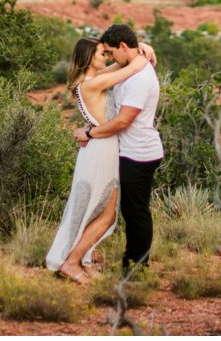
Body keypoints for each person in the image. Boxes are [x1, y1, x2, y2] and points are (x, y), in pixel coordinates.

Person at [45, 36, 152, 283]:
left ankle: (82, 260)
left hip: (99, 146)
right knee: (107, 215)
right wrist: (142, 50)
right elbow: (133, 66)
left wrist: (142, 48)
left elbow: (124, 65)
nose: (107, 57)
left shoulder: (90, 80)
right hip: (102, 149)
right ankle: (72, 263)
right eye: (102, 54)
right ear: (89, 57)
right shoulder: (92, 84)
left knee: (96, 211)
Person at [75, 23, 164, 274]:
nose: (110, 58)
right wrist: (144, 48)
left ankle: (137, 265)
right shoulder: (129, 67)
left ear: (123, 47)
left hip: (140, 153)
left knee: (136, 211)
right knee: (128, 209)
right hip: (126, 150)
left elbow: (124, 120)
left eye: (112, 52)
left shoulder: (140, 77)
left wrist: (90, 133)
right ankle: (131, 260)